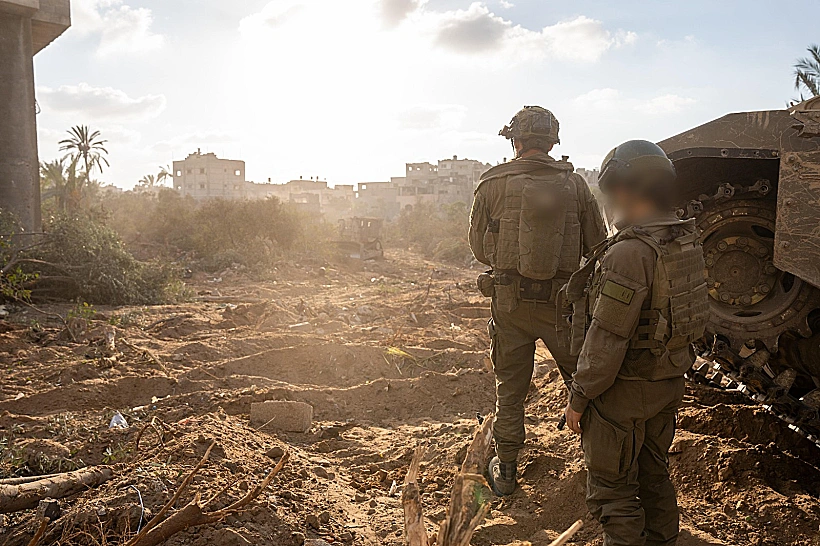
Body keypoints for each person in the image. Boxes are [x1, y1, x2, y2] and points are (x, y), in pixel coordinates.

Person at [562, 140, 709, 545]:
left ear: (627, 188)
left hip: (625, 392)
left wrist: (580, 396)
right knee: (653, 474)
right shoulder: (683, 238)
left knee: (612, 491)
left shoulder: (630, 252)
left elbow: (608, 336)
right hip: (668, 381)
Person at [469, 106, 606, 496]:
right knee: (584, 386)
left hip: (509, 305)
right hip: (563, 307)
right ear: (552, 143)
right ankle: (602, 469)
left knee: (510, 391)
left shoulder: (491, 184)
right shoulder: (575, 185)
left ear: (516, 141)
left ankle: (506, 470)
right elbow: (598, 245)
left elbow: (479, 248)